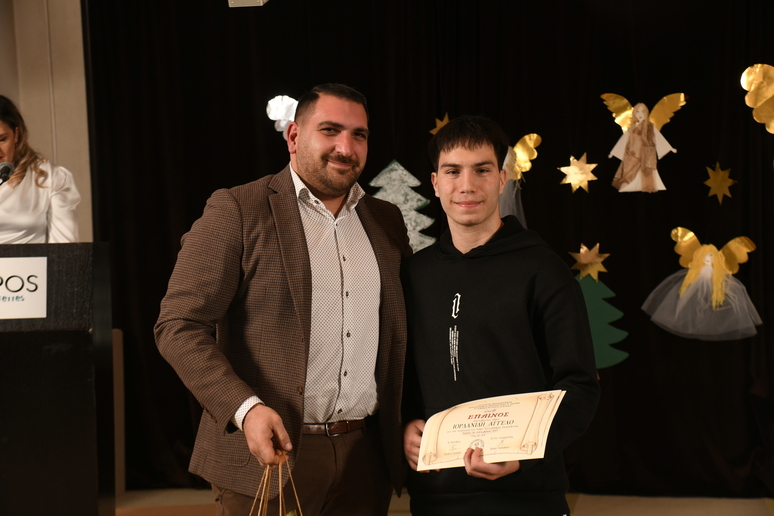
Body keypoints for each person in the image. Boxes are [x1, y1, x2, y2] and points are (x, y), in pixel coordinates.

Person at [155, 83, 412, 516]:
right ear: (294, 136)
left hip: (365, 457)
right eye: (330, 130)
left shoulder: (385, 219)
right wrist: (246, 410)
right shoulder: (238, 208)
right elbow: (178, 325)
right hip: (270, 453)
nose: (346, 147)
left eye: (359, 135)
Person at [402, 115, 599, 516]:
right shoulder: (414, 274)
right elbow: (399, 376)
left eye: (482, 170)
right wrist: (404, 424)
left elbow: (580, 385)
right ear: (435, 182)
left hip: (527, 496)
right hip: (436, 497)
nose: (467, 185)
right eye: (453, 171)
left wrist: (524, 454)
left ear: (502, 179)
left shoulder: (543, 269)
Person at [0, 95, 80, 243]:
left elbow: (64, 249)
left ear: (16, 135)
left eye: (2, 139)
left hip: (32, 259)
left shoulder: (50, 177)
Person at [609, 103, 675, 193]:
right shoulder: (632, 128)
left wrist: (670, 148)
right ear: (634, 114)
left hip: (646, 154)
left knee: (647, 169)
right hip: (633, 154)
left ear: (646, 113)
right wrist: (613, 152)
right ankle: (630, 186)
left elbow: (658, 138)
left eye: (643, 112)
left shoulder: (650, 127)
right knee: (630, 171)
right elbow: (624, 140)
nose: (640, 114)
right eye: (637, 112)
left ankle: (647, 186)